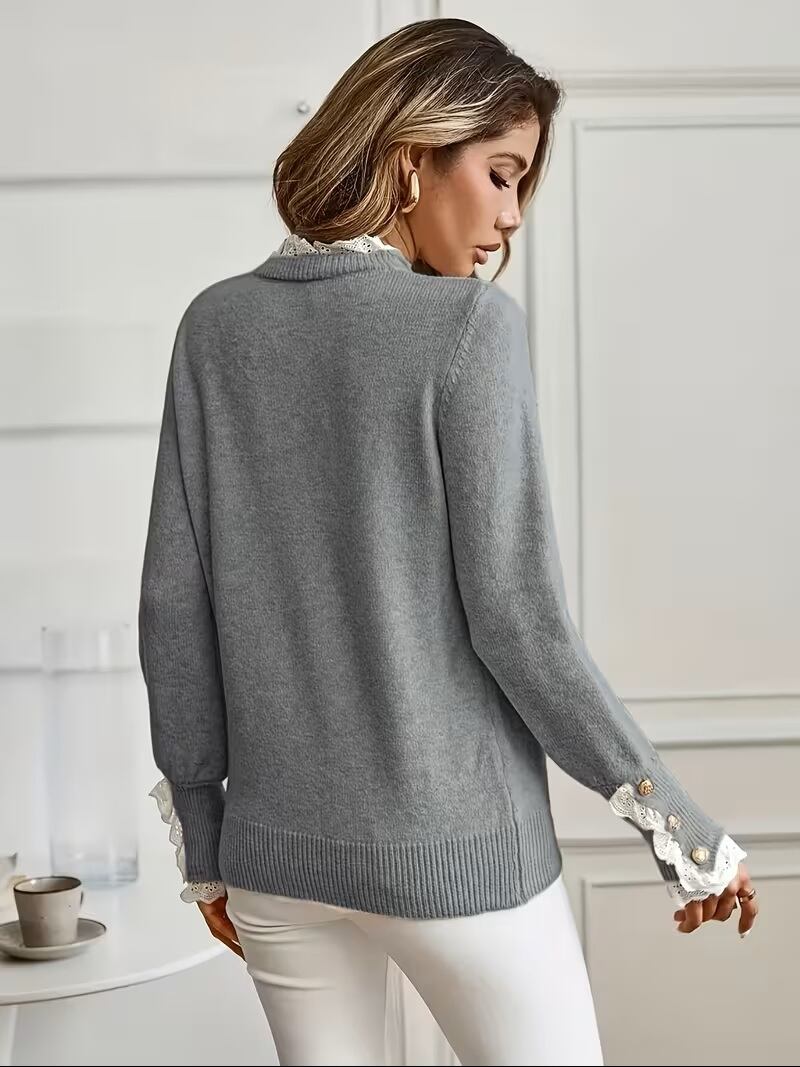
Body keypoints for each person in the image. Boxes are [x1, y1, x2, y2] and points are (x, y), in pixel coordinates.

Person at [137, 17, 758, 1067]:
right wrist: (678, 826)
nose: (510, 218)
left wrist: (205, 843)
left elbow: (172, 606)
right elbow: (519, 623)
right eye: (501, 173)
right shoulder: (468, 328)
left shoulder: (214, 326)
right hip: (455, 859)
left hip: (274, 865)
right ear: (411, 158)